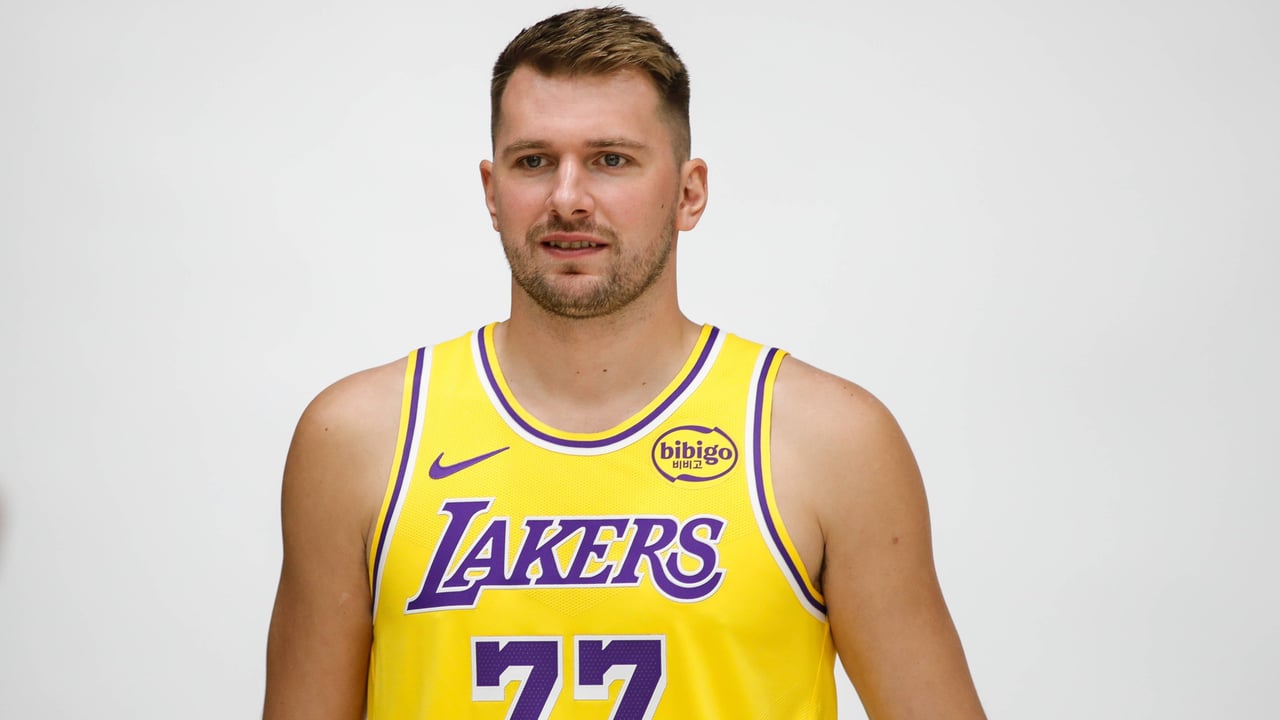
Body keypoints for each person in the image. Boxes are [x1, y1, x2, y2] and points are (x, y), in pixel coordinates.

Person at [264, 7, 986, 719]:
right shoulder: (361, 439)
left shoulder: (828, 442)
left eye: (611, 160)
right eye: (534, 161)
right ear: (491, 192)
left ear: (689, 193)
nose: (568, 199)